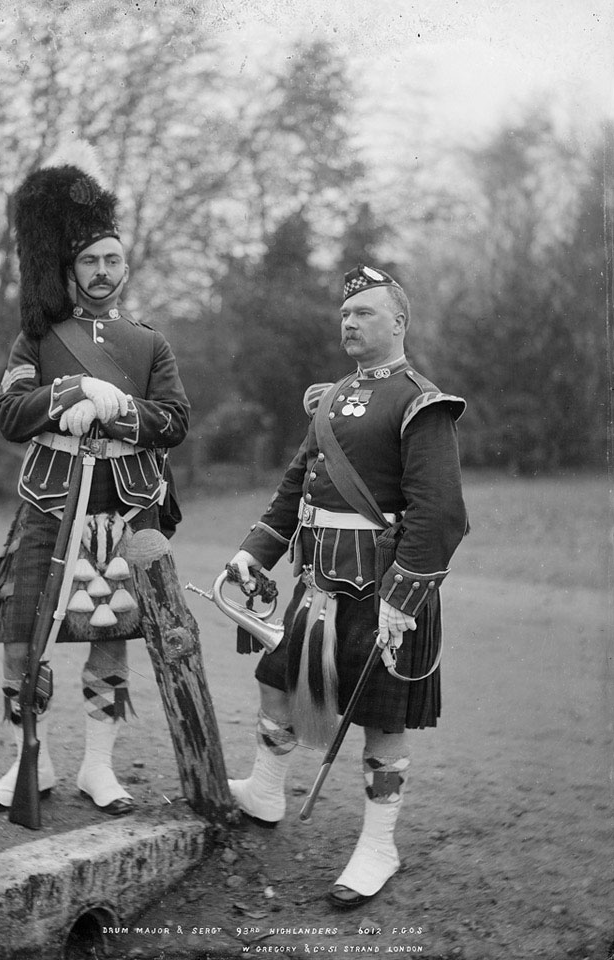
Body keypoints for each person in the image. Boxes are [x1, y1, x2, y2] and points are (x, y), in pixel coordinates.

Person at [228, 264, 467, 908]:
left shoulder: (422, 400)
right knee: (278, 680)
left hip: (383, 588)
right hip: (317, 580)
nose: (350, 322)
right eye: (345, 313)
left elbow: (440, 512)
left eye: (365, 311)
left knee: (381, 719)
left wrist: (403, 597)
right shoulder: (332, 398)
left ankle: (378, 845)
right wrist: (254, 555)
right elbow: (292, 491)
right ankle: (265, 789)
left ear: (400, 322)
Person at [0, 143, 189, 817]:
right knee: (21, 631)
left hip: (124, 509)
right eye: (90, 260)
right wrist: (69, 391)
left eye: (112, 260)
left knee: (110, 630)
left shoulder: (148, 343)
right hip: (49, 501)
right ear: (70, 266)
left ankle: (99, 767)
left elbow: (175, 421)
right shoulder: (36, 339)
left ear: (126, 266)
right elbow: (10, 412)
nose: (102, 272)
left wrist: (122, 410)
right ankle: (25, 764)